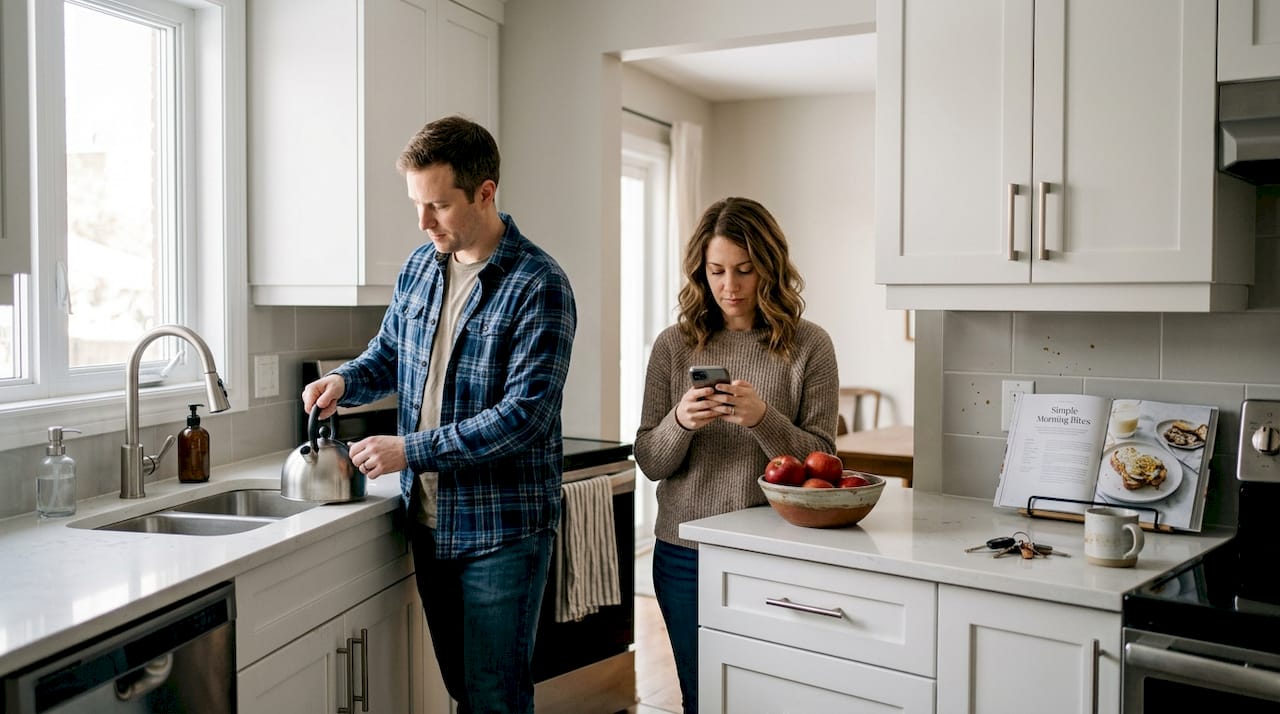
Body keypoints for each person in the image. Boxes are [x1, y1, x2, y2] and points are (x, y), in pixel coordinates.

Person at [301, 115, 577, 714]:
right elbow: (390, 354)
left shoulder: (539, 284)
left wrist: (410, 450)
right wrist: (345, 380)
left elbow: (523, 417)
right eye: (417, 205)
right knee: (463, 692)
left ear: (486, 192)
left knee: (495, 699)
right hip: (429, 522)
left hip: (502, 531)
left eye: (439, 206)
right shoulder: (421, 267)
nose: (424, 222)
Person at [633, 197, 839, 714]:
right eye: (717, 270)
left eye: (745, 270)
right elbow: (651, 461)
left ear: (769, 267)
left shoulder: (809, 346)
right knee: (703, 698)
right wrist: (680, 422)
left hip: (776, 554)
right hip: (683, 553)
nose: (730, 286)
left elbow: (825, 462)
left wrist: (762, 419)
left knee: (772, 697)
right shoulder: (672, 347)